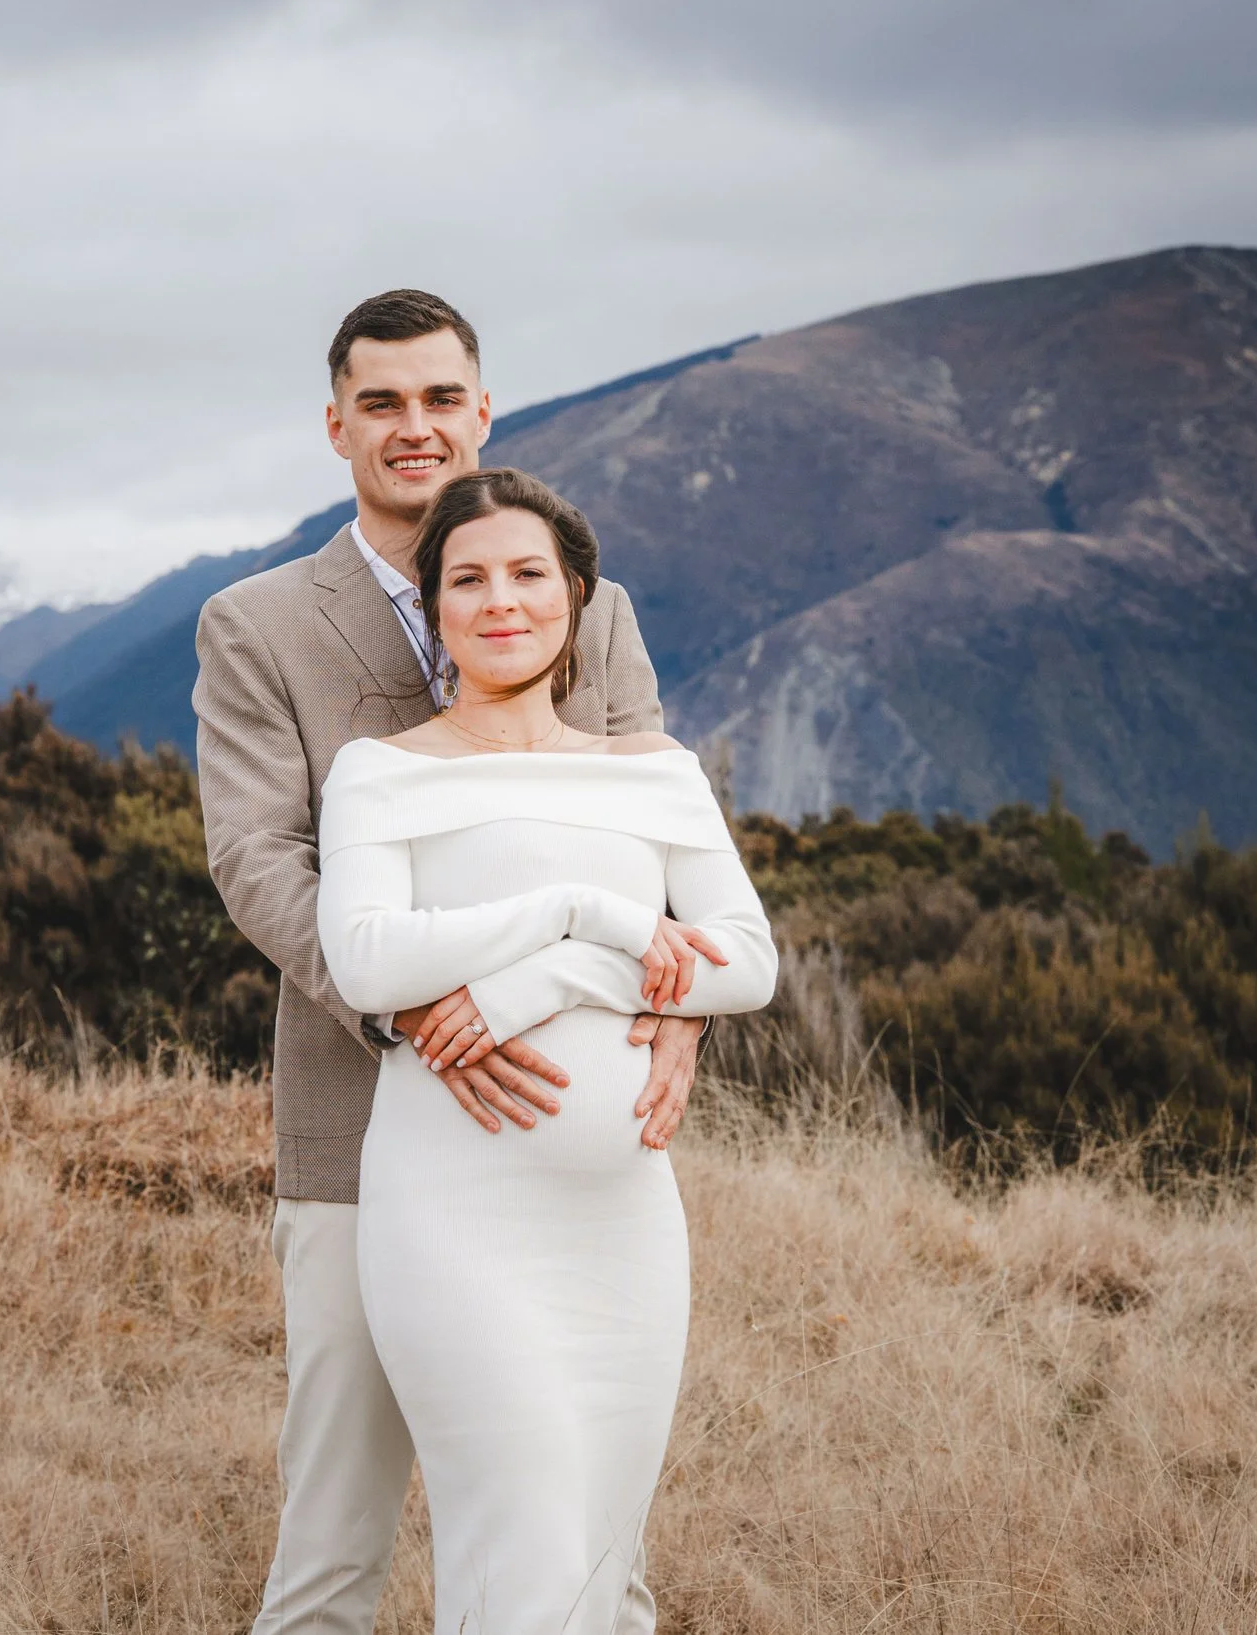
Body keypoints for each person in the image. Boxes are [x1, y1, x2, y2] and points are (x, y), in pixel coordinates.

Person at [194, 290, 703, 1633]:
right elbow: (256, 858)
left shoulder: (593, 610)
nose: (413, 428)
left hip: (575, 1147)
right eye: (382, 404)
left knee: (596, 1546)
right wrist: (409, 1001)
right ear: (337, 426)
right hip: (364, 1140)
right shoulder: (258, 625)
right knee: (335, 1539)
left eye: (439, 400)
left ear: (483, 414)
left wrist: (687, 1005)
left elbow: (664, 835)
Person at [316, 467, 776, 1632]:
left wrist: (562, 967)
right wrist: (584, 909)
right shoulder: (384, 771)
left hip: (624, 1226)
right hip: (454, 1215)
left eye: (528, 573)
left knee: (594, 1564)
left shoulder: (658, 773)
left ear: (576, 594)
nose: (499, 600)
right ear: (433, 608)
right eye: (466, 578)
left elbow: (746, 962)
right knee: (517, 1553)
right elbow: (370, 960)